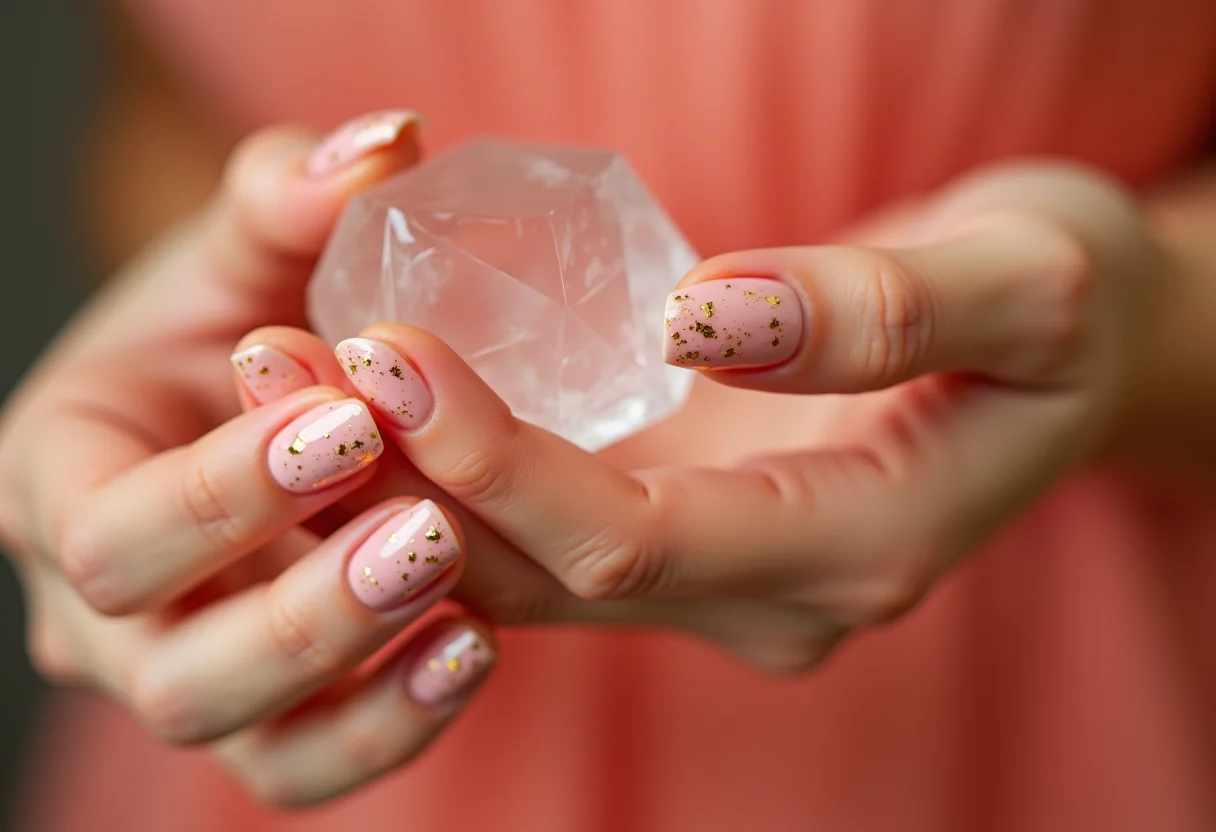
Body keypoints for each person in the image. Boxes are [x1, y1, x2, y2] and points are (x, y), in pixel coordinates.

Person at [3, 1, 1216, 829]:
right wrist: (207, 323)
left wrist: (1141, 319)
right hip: (363, 683)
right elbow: (160, 113)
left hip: (1075, 652)